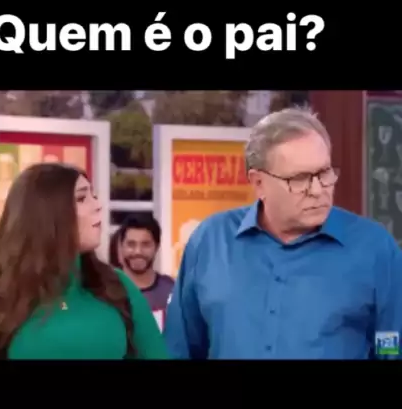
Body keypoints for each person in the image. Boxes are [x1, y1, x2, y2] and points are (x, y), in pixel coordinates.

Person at [164, 107, 402, 359]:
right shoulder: (211, 241)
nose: (317, 190)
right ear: (258, 183)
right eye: (299, 179)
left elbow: (391, 348)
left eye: (324, 173)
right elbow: (180, 348)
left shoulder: (375, 249)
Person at [0, 163, 168, 360]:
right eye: (82, 198)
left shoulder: (117, 286)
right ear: (48, 214)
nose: (98, 205)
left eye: (93, 196)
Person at [118, 213, 174, 330]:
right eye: (131, 244)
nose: (138, 251)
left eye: (146, 244)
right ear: (121, 246)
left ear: (156, 247)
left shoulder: (171, 292)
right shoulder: (107, 290)